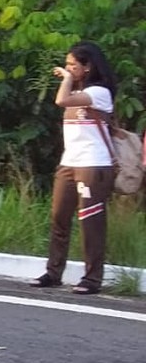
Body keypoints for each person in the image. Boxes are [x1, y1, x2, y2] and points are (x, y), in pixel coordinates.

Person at [30, 42, 117, 295]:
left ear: (87, 67)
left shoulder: (100, 93)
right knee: (59, 218)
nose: (68, 69)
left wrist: (66, 79)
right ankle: (54, 271)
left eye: (73, 65)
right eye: (67, 65)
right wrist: (70, 78)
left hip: (93, 163)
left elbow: (61, 100)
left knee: (90, 222)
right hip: (69, 163)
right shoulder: (78, 91)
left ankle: (92, 278)